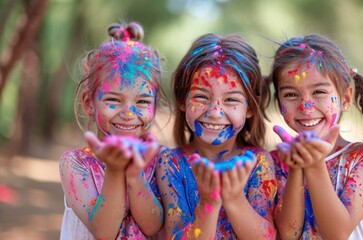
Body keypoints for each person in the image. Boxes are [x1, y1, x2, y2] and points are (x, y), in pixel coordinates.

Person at [156, 33, 277, 239]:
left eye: (231, 100)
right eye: (201, 97)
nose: (214, 111)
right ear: (182, 99)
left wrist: (234, 198)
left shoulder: (258, 163)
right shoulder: (170, 163)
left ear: (250, 107)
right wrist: (208, 203)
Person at [266, 34, 363, 239]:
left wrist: (313, 164)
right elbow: (288, 233)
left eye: (319, 92)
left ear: (345, 98)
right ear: (279, 103)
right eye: (291, 95)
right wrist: (296, 167)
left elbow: (336, 234)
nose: (306, 106)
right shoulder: (277, 161)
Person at [59, 21, 169, 240]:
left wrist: (134, 173)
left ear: (155, 106)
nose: (128, 113)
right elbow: (104, 232)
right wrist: (115, 169)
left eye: (142, 101)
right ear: (89, 103)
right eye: (113, 100)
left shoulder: (160, 160)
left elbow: (152, 225)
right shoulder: (75, 164)